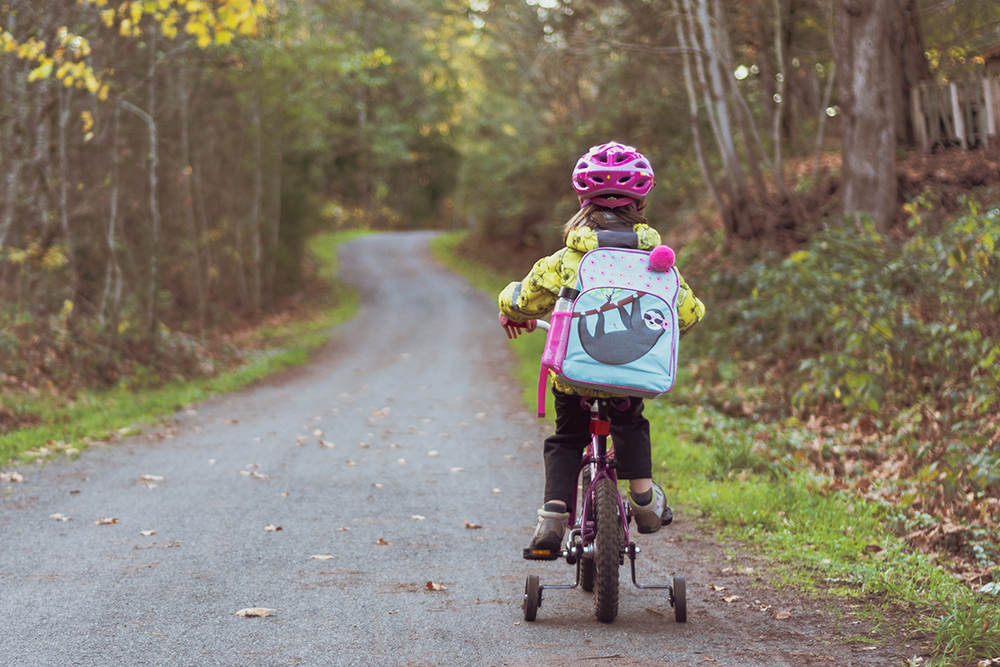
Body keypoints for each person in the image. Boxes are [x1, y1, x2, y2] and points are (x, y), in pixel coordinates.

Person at [497, 141, 705, 553]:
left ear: (581, 199)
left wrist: (510, 307)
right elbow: (689, 314)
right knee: (630, 423)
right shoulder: (657, 262)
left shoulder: (568, 259)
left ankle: (553, 516)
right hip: (630, 379)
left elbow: (523, 298)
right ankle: (644, 500)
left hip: (576, 377)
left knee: (567, 438)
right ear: (641, 203)